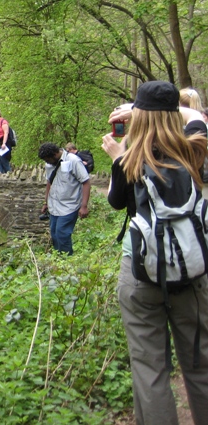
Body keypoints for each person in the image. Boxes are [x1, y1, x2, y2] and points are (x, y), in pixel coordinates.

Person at [101, 80, 208, 425]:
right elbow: (199, 117)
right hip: (190, 271)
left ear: (139, 117)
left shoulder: (129, 160)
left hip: (141, 273)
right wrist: (166, 110)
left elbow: (116, 202)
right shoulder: (194, 148)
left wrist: (119, 157)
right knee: (200, 363)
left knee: (150, 369)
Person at [38, 142, 91, 255]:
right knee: (54, 233)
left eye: (48, 159)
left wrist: (84, 206)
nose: (47, 163)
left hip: (70, 205)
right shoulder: (49, 165)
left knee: (62, 232)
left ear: (55, 154)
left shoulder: (73, 161)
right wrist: (45, 202)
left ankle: (67, 259)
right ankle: (58, 259)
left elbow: (86, 182)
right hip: (54, 206)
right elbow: (49, 182)